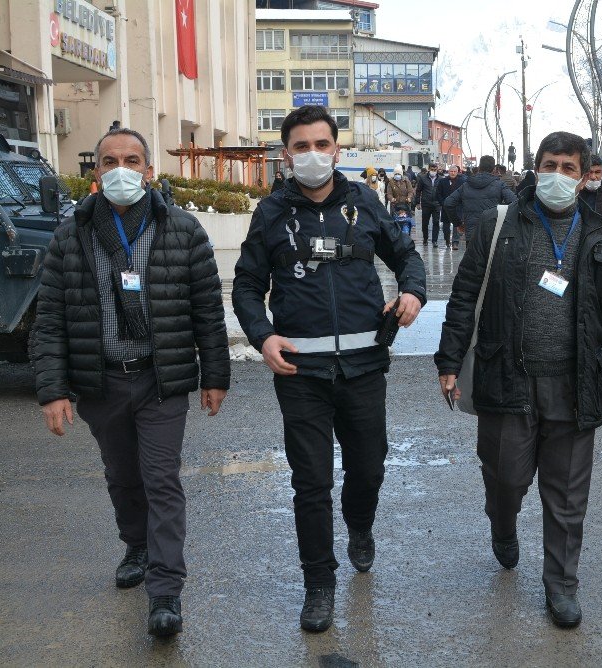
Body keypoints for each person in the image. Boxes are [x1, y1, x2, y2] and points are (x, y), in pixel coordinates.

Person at [435, 131, 602, 629]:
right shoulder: (497, 225)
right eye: (550, 165)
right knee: (506, 476)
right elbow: (464, 297)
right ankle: (502, 524)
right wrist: (448, 361)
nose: (558, 176)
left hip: (574, 384)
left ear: (586, 175)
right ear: (536, 167)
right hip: (507, 377)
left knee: (568, 495)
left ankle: (561, 585)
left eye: (569, 168)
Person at [232, 106, 427, 633]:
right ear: (286, 153)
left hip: (364, 367)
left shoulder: (364, 203)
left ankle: (360, 526)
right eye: (302, 146)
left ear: (337, 151)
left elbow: (407, 256)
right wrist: (262, 335)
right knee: (311, 482)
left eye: (322, 144)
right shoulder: (270, 214)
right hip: (301, 375)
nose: (313, 155)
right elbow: (247, 286)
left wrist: (412, 291)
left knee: (368, 469)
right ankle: (319, 585)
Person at [32, 126, 230, 637]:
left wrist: (215, 375)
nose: (121, 168)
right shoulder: (70, 234)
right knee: (123, 477)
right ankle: (136, 545)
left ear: (149, 170)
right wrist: (53, 389)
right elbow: (50, 317)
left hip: (160, 380)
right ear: (95, 173)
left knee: (162, 480)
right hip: (101, 382)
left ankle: (165, 593)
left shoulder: (182, 230)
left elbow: (207, 310)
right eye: (109, 160)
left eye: (132, 159)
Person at [443, 155, 516, 249]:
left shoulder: (466, 185)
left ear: (479, 167)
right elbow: (514, 202)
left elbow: (448, 203)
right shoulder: (500, 185)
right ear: (494, 169)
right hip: (493, 233)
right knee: (492, 263)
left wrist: (458, 224)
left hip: (472, 233)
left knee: (472, 263)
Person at [435, 164, 466, 250]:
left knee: (457, 225)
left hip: (458, 207)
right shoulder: (442, 181)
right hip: (446, 207)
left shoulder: (462, 182)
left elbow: (464, 194)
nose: (453, 173)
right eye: (451, 171)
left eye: (454, 171)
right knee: (446, 226)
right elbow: (438, 194)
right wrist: (443, 203)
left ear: (457, 172)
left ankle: (455, 242)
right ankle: (447, 240)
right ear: (448, 172)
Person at [414, 162, 443, 247]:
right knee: (425, 222)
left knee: (436, 222)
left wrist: (442, 202)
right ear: (428, 169)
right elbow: (418, 191)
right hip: (426, 203)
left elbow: (442, 191)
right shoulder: (423, 178)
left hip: (437, 204)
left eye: (435, 169)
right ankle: (425, 239)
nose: (433, 171)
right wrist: (417, 202)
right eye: (432, 169)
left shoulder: (440, 179)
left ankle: (435, 241)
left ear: (437, 169)